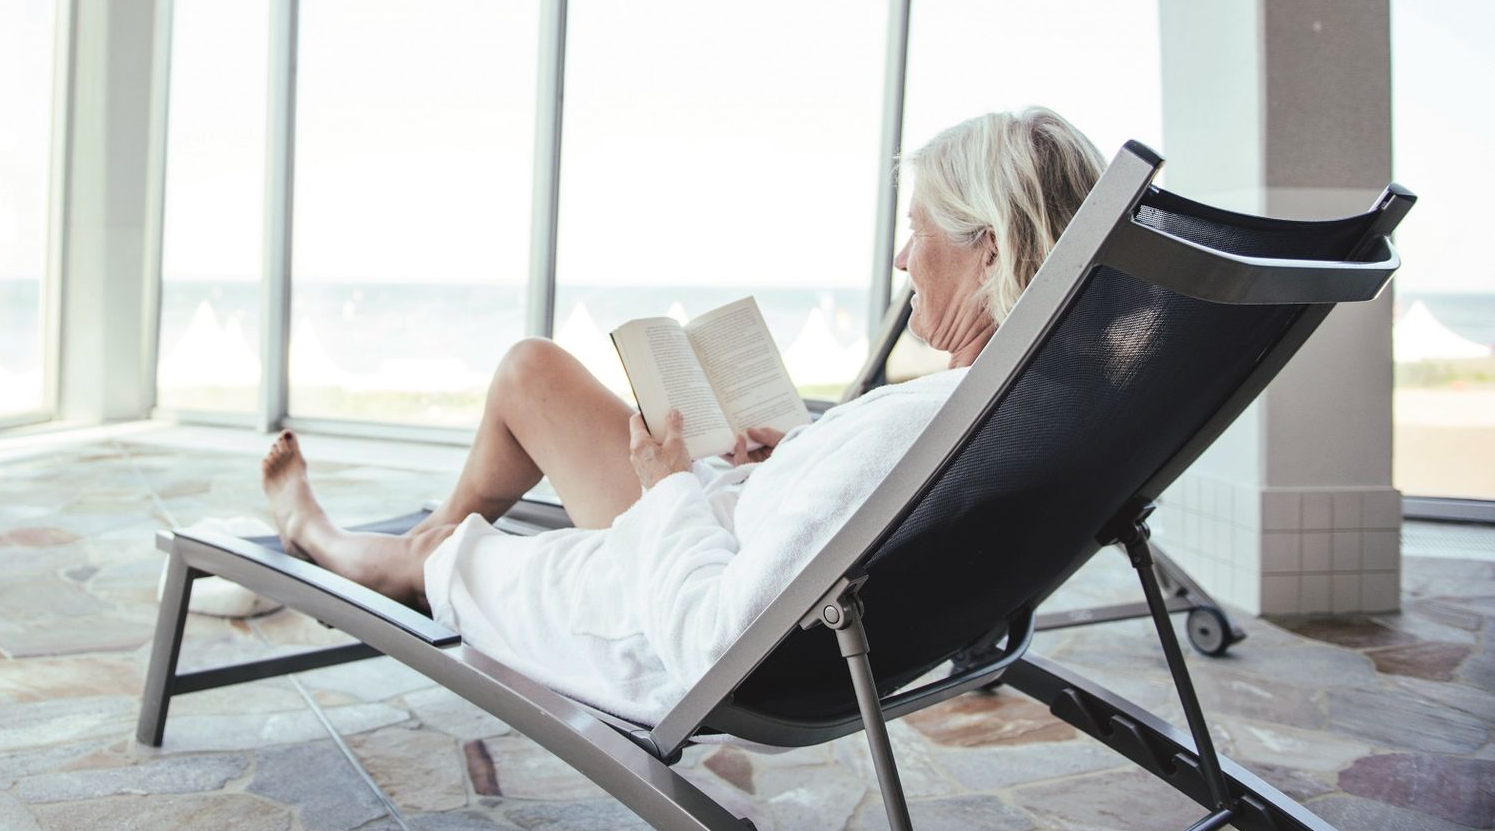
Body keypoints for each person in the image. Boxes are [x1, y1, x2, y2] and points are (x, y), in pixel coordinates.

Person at [260, 107, 1108, 723]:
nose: (900, 257)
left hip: (654, 613)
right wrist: (792, 462)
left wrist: (667, 484)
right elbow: (841, 519)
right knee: (531, 372)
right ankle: (424, 547)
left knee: (446, 554)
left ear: (989, 248)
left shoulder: (925, 427)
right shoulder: (1023, 409)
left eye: (918, 231)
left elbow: (708, 639)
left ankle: (333, 541)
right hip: (722, 533)